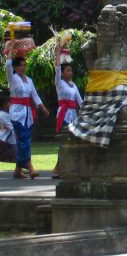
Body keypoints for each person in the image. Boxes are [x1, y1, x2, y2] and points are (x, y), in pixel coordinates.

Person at [5, 48, 49, 179]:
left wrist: (43, 108)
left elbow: (34, 96)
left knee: (25, 140)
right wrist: (11, 48)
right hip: (17, 114)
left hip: (28, 114)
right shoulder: (12, 78)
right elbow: (7, 65)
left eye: (25, 65)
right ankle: (30, 167)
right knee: (24, 139)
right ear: (16, 67)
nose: (23, 67)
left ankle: (18, 170)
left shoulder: (29, 80)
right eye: (21, 65)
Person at [51, 46, 83, 179]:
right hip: (64, 114)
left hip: (73, 115)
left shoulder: (74, 85)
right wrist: (58, 54)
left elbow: (80, 101)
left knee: (73, 140)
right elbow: (57, 69)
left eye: (71, 70)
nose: (71, 72)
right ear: (63, 72)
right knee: (64, 141)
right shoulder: (59, 83)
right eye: (68, 70)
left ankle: (67, 167)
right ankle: (59, 168)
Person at [0, 92, 16, 165]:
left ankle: (20, 169)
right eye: (10, 102)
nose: (12, 104)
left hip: (7, 141)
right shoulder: (3, 115)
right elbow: (12, 128)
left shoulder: (6, 114)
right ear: (4, 104)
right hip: (3, 141)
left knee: (16, 155)